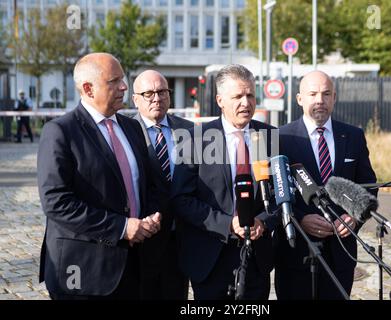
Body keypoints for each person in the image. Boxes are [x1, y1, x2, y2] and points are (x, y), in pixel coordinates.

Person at [37, 52, 162, 300]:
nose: (124, 86)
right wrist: (122, 227)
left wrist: (151, 217)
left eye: (122, 79)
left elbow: (148, 183)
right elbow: (56, 202)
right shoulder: (60, 131)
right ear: (88, 89)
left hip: (132, 265)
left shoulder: (132, 127)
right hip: (84, 273)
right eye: (114, 81)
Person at [170, 64, 277, 300]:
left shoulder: (268, 137)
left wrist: (264, 221)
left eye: (250, 95)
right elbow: (181, 199)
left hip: (257, 261)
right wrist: (228, 224)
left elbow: (281, 196)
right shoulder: (197, 139)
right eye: (237, 96)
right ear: (220, 100)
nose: (246, 102)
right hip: (210, 259)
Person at [274, 70, 377, 300]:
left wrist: (354, 216)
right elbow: (273, 192)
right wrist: (299, 219)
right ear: (300, 99)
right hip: (295, 254)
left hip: (341, 253)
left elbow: (369, 185)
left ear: (334, 98)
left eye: (326, 94)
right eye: (313, 94)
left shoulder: (354, 136)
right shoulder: (281, 137)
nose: (319, 100)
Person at [133, 70, 192, 299]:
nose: (157, 98)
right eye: (149, 93)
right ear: (136, 99)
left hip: (182, 237)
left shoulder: (190, 131)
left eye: (163, 92)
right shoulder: (126, 132)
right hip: (143, 240)